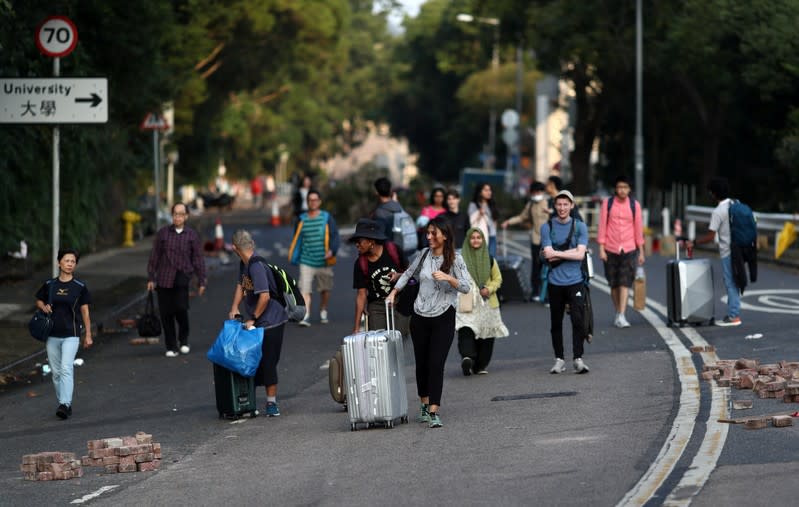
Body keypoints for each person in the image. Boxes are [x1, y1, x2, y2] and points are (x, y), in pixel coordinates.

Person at [386, 216, 470, 428]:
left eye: (434, 233)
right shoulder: (423, 254)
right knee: (422, 363)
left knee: (436, 363)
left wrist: (448, 277)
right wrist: (394, 293)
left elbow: (466, 286)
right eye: (428, 233)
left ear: (445, 235)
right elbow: (407, 274)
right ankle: (423, 403)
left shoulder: (456, 259)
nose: (429, 237)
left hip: (443, 316)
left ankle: (434, 409)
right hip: (420, 316)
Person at [228, 229, 288, 417]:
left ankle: (271, 404)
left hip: (272, 321)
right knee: (252, 361)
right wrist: (234, 308)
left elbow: (265, 296)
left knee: (268, 362)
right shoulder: (243, 264)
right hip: (258, 320)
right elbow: (240, 285)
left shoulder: (256, 266)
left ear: (235, 248)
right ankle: (249, 403)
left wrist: (252, 317)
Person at [35, 248, 92, 419]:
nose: (69, 264)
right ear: (59, 262)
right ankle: (63, 402)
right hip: (52, 335)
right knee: (56, 372)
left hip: (71, 334)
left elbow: (85, 312)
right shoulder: (49, 285)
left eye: (73, 261)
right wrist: (42, 306)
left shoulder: (80, 287)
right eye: (66, 260)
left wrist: (88, 334)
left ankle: (65, 404)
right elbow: (39, 299)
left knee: (66, 368)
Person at [147, 202, 207, 357]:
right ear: (172, 216)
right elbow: (155, 256)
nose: (178, 217)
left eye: (181, 214)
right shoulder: (163, 234)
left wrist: (202, 280)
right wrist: (151, 278)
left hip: (182, 276)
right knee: (166, 313)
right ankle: (171, 346)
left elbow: (198, 259)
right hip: (164, 277)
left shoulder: (191, 235)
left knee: (181, 309)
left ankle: (184, 340)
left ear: (186, 216)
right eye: (175, 214)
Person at [541, 190, 590, 374]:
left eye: (565, 204)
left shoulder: (580, 227)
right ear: (555, 206)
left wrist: (558, 253)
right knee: (556, 322)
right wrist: (571, 253)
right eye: (559, 204)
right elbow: (547, 255)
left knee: (578, 320)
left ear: (572, 206)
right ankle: (559, 359)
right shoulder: (547, 227)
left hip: (575, 281)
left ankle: (578, 358)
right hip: (555, 282)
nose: (562, 208)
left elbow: (580, 254)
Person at [455, 227, 509, 376]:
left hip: (487, 303)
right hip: (467, 301)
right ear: (467, 240)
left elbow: (498, 279)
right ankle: (467, 358)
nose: (476, 240)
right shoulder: (459, 259)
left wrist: (489, 288)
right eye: (472, 237)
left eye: (479, 237)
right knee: (465, 328)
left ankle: (480, 365)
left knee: (486, 334)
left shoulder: (490, 259)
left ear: (483, 240)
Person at [690, 176, 741, 326]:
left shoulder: (718, 211)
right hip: (741, 249)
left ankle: (733, 315)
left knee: (730, 282)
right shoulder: (736, 203)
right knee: (736, 281)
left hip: (728, 252)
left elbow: (710, 236)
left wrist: (694, 242)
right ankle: (734, 311)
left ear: (713, 193)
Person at [597, 175, 645, 328]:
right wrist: (601, 249)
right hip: (610, 248)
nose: (622, 190)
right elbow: (602, 226)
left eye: (625, 187)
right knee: (613, 284)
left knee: (624, 282)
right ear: (616, 189)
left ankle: (622, 314)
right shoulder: (608, 203)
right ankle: (618, 311)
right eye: (619, 187)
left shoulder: (634, 205)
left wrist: (641, 251)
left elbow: (638, 229)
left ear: (629, 189)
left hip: (629, 248)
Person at [288, 189, 340, 327]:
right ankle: (306, 315)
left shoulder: (326, 217)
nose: (313, 202)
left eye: (315, 200)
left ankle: (323, 309)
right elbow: (297, 237)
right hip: (306, 260)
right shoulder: (301, 219)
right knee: (305, 289)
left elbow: (335, 235)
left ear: (320, 201)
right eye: (310, 200)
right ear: (307, 202)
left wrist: (332, 251)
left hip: (324, 260)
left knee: (325, 289)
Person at [350, 218, 408, 335]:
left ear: (371, 242)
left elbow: (411, 273)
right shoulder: (360, 263)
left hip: (400, 300)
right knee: (377, 340)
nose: (356, 245)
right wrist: (356, 328)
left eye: (359, 241)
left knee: (399, 335)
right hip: (376, 305)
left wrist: (399, 276)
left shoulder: (393, 250)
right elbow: (361, 295)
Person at [501, 181, 550, 301]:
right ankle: (536, 292)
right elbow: (522, 217)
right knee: (536, 266)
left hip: (549, 239)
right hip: (536, 238)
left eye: (539, 192)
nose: (537, 194)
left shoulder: (549, 202)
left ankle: (549, 292)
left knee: (549, 266)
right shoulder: (531, 204)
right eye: (534, 192)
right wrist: (509, 221)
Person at [468, 182, 499, 257]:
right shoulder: (473, 205)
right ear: (480, 192)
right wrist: (479, 213)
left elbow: (495, 220)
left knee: (492, 260)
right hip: (479, 237)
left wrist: (495, 232)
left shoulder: (492, 205)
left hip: (492, 236)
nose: (489, 192)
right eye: (486, 190)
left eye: (490, 190)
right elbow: (470, 222)